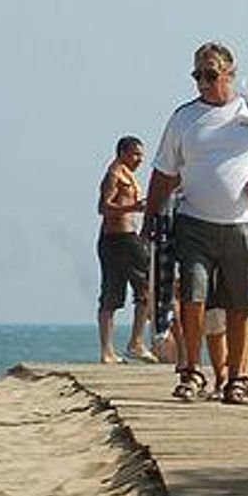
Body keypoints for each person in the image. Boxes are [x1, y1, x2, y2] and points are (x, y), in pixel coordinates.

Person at [142, 41, 248, 405]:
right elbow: (163, 172)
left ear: (229, 74)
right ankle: (192, 370)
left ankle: (237, 379)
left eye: (210, 75)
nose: (203, 83)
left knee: (241, 304)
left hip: (246, 224)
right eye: (197, 76)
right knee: (192, 297)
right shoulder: (183, 118)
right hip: (195, 222)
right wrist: (149, 217)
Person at [96, 136, 156, 364]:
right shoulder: (114, 174)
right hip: (118, 239)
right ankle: (113, 349)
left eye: (141, 155)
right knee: (114, 294)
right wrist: (134, 206)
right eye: (135, 154)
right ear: (122, 153)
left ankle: (135, 342)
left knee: (145, 289)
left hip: (126, 238)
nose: (139, 159)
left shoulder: (127, 175)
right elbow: (103, 207)